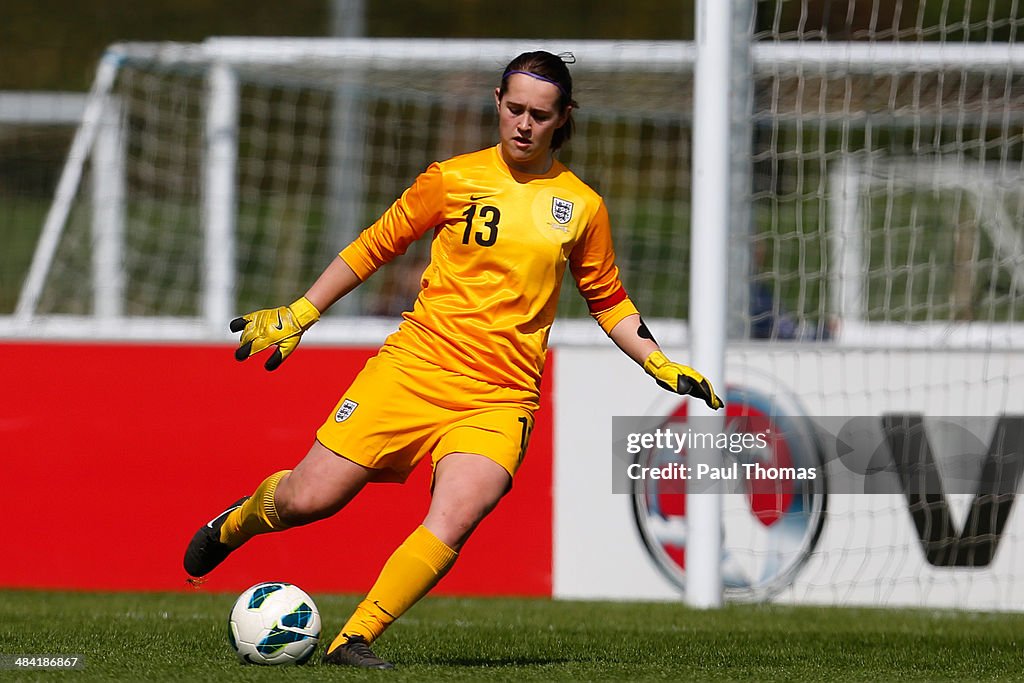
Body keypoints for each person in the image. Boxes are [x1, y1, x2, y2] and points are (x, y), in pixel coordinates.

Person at [183, 50, 723, 669]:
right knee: (311, 499)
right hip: (414, 368)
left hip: (500, 396)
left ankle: (353, 640)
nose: (523, 124)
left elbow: (609, 299)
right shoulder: (452, 177)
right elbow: (375, 245)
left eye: (540, 115)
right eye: (514, 108)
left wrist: (658, 363)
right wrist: (301, 312)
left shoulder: (583, 207)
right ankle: (239, 521)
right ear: (496, 102)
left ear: (564, 118)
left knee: (460, 511)